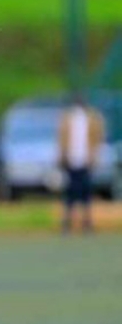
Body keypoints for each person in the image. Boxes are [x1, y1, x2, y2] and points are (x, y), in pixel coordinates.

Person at [57, 94, 105, 235]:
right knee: (71, 191)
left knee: (86, 191)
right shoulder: (67, 119)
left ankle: (87, 221)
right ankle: (67, 222)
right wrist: (62, 155)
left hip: (85, 160)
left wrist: (94, 155)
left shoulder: (92, 119)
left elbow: (98, 136)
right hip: (71, 159)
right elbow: (61, 138)